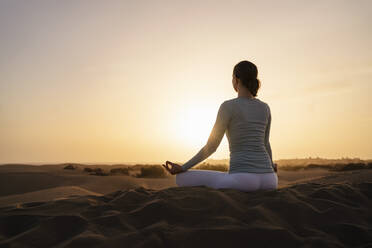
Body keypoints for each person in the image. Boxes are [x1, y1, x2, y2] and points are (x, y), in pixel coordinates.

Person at [162, 60, 278, 192]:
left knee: (181, 178)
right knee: (224, 176)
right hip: (270, 179)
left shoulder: (228, 106)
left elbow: (211, 147)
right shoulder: (265, 107)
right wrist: (271, 165)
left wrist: (183, 168)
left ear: (236, 79)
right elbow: (265, 142)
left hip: (243, 180)